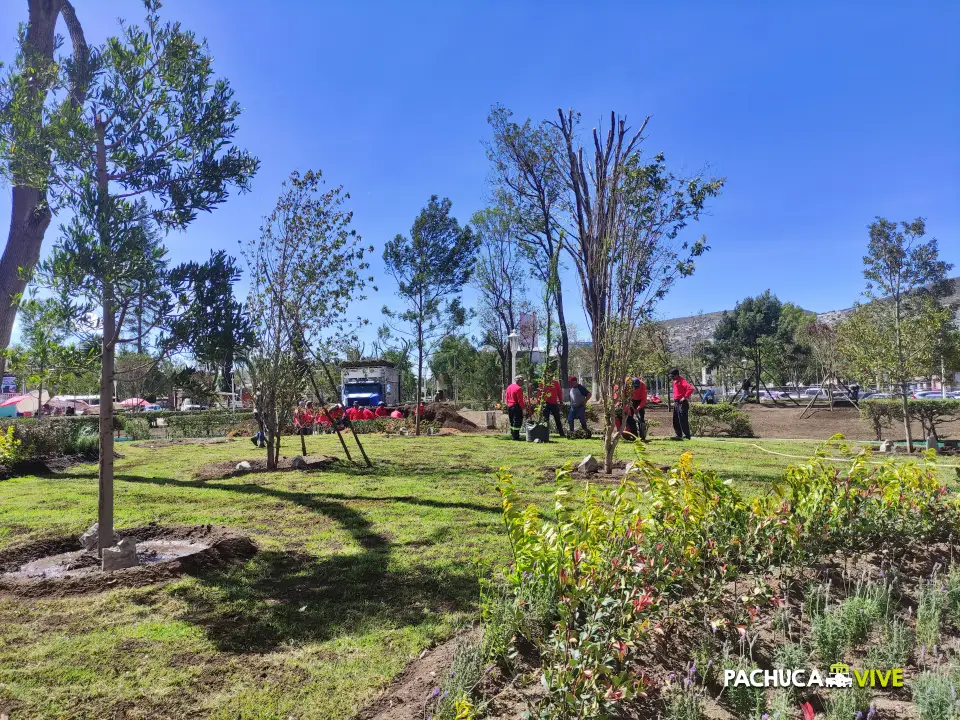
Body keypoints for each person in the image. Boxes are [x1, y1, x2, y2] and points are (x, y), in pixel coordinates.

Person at [669, 368, 693, 440]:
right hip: (676, 403)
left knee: (683, 420)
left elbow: (690, 389)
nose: (672, 378)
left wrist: (685, 397)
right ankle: (679, 434)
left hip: (682, 403)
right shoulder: (675, 381)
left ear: (677, 375)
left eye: (673, 376)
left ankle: (686, 436)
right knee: (675, 420)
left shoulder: (682, 381)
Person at [505, 375, 526, 441]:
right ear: (519, 381)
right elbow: (520, 400)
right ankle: (516, 437)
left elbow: (506, 397)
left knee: (512, 421)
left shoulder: (509, 387)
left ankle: (513, 434)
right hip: (516, 406)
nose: (522, 383)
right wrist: (523, 409)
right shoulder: (518, 388)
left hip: (509, 406)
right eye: (522, 381)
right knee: (517, 421)